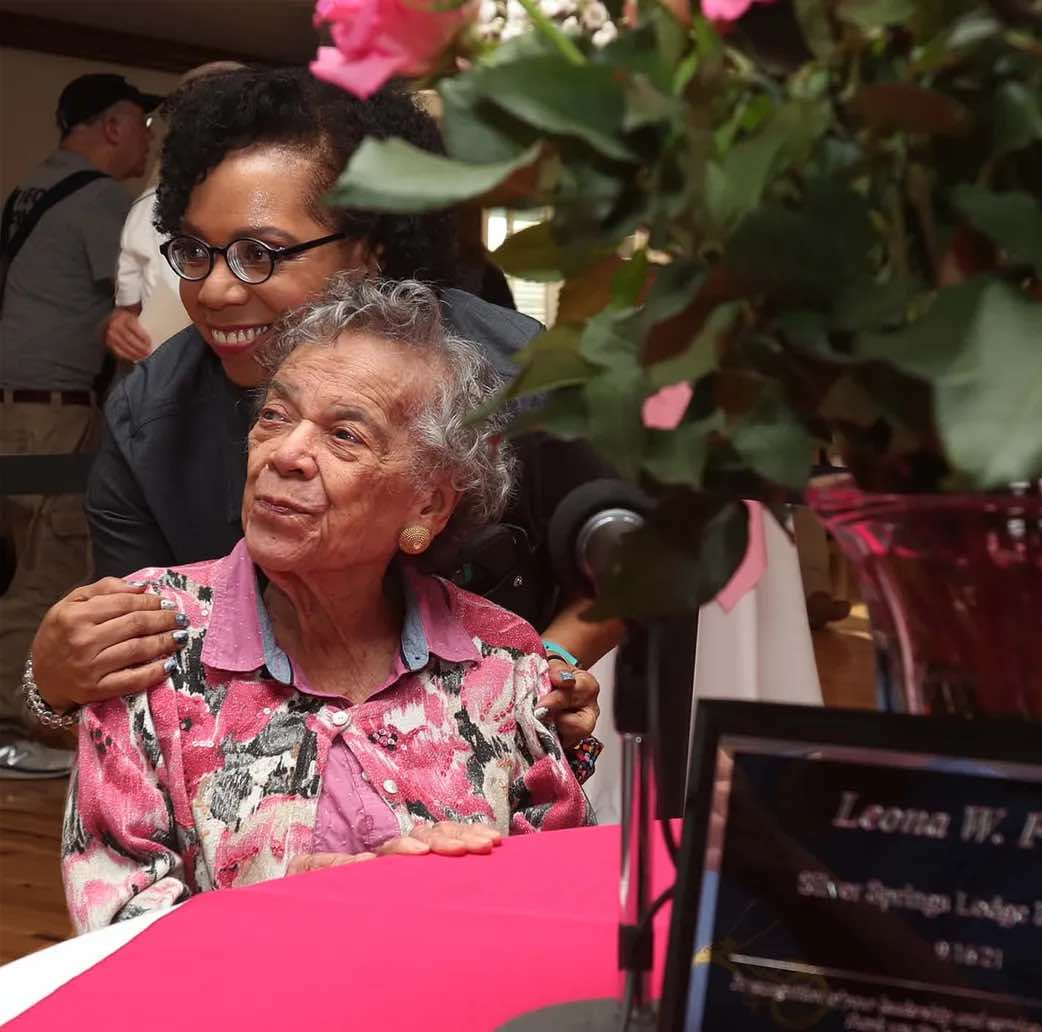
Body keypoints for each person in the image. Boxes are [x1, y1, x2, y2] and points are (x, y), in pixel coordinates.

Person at [23, 68, 616, 759]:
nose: (213, 290)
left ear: (369, 250)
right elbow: (130, 685)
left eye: (258, 254)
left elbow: (631, 567)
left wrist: (537, 672)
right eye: (194, 251)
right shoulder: (150, 421)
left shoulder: (516, 377)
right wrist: (55, 685)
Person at [62, 277, 591, 933]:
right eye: (276, 416)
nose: (284, 455)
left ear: (427, 503)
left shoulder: (500, 656)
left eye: (344, 435)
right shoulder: (151, 632)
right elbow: (114, 921)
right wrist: (315, 907)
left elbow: (557, 903)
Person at [0, 73, 160, 777]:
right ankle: (24, 728)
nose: (149, 144)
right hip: (52, 414)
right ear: (117, 126)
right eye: (144, 128)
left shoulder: (29, 189)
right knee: (48, 568)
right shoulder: (101, 200)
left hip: (16, 408)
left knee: (20, 563)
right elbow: (149, 293)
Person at [103, 61, 245, 361]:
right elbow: (128, 312)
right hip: (164, 379)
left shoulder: (282, 201)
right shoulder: (146, 209)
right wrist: (120, 324)